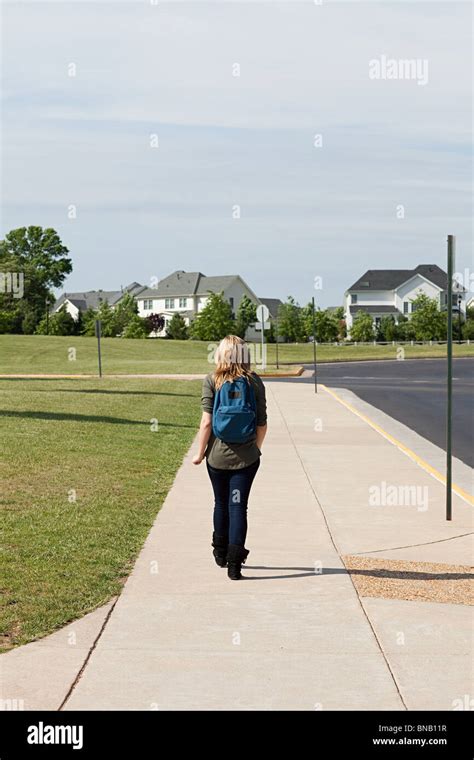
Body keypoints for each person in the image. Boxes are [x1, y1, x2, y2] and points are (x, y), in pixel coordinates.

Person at [192, 335, 267, 580]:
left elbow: (206, 423)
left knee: (220, 503)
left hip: (217, 458)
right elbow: (262, 424)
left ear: (221, 354)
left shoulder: (212, 380)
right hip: (246, 460)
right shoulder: (254, 381)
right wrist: (254, 449)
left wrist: (200, 453)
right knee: (239, 507)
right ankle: (235, 566)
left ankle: (220, 552)